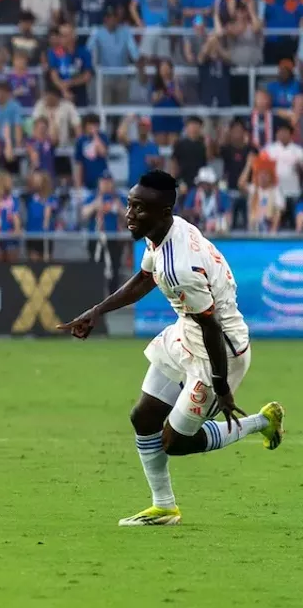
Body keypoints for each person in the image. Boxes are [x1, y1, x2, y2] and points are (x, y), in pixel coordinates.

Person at [59, 170, 285, 527]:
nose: (130, 214)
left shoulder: (180, 267)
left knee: (176, 442)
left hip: (219, 354)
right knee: (143, 417)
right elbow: (145, 278)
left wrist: (221, 387)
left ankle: (261, 422)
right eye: (130, 205)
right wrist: (96, 311)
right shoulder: (163, 232)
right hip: (186, 334)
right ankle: (163, 507)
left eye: (139, 208)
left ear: (163, 212)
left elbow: (211, 327)